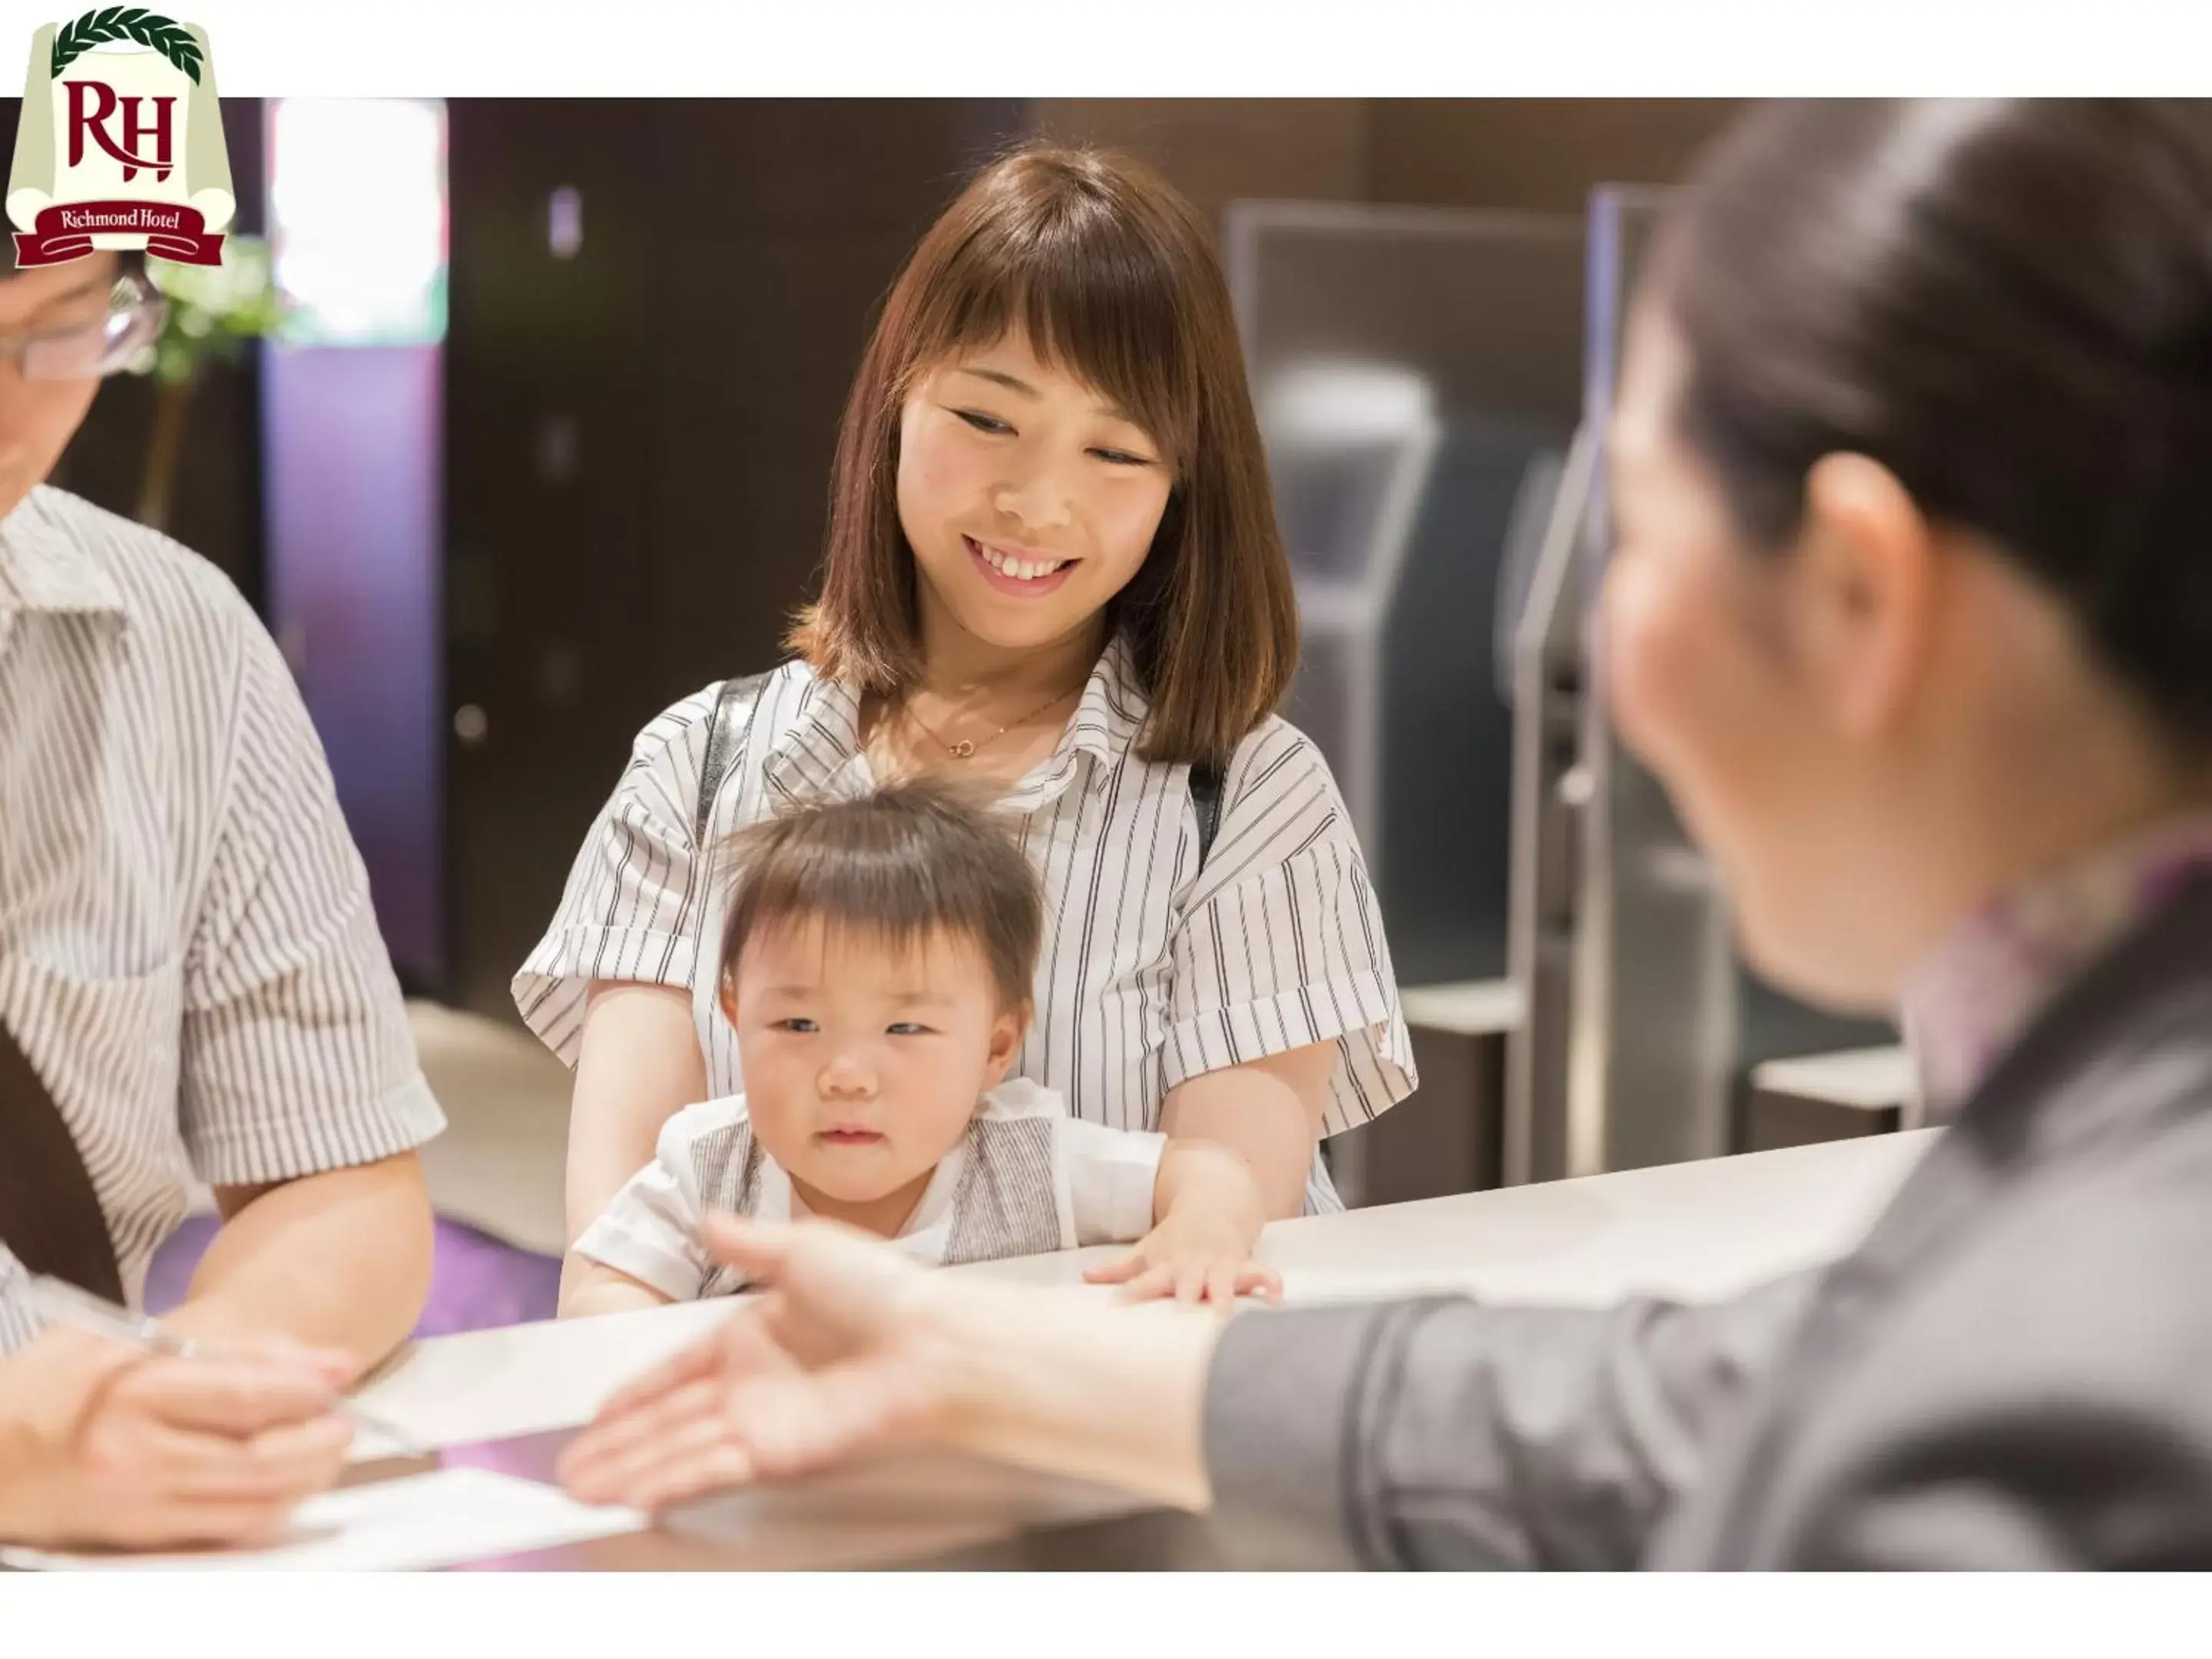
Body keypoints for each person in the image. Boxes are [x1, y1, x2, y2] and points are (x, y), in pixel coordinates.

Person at [561, 100, 2212, 1568]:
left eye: (1635, 521)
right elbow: (1700, 1412)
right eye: (987, 418)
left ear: (1863, 591)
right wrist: (968, 1356)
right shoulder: (2070, 1174)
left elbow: (1762, 1423)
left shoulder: (2077, 1336)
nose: (1593, 655)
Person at [518, 144, 1416, 1303]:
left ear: (1182, 490)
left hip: (1100, 1431)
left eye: (1114, 450)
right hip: (766, 1429)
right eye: (988, 420)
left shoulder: (1243, 796)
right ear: (896, 403)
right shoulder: (697, 769)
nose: (1038, 501)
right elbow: (619, 1250)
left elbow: (1209, 1246)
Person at [0, 243, 445, 1550]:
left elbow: (344, 1188)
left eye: (61, 330)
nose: (16, 407)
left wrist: (166, 1397)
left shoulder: (177, 641)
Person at [561, 782, 1276, 1318]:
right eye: (798, 1026)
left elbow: (1208, 1169)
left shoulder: (1026, 1160)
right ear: (735, 1013)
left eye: (904, 1030)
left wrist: (1202, 1229)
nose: (846, 1077)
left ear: (997, 1045)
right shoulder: (709, 1169)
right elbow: (602, 1292)